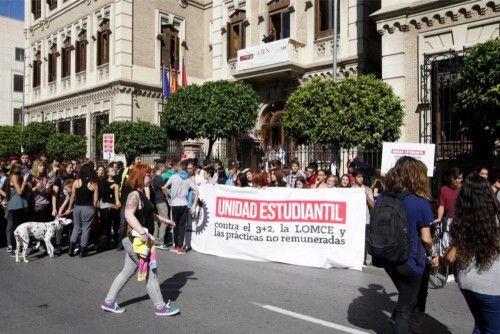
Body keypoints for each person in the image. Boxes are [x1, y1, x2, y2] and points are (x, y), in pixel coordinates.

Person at [101, 164, 179, 316]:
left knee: (127, 271)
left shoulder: (141, 193)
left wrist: (165, 220)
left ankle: (108, 302)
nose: (150, 176)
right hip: (135, 240)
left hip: (136, 239)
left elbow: (149, 214)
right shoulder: (134, 195)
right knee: (151, 272)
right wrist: (142, 232)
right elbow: (128, 215)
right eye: (147, 174)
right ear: (140, 176)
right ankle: (160, 307)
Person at [380, 156, 436, 333]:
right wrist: (433, 253)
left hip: (388, 258)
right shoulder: (420, 202)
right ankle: (403, 326)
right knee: (406, 305)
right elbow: (426, 238)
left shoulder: (384, 197)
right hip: (410, 260)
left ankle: (410, 326)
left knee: (408, 297)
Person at [443, 174, 499, 334]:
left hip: (466, 280)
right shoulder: (496, 218)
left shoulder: (459, 220)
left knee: (480, 325)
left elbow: (452, 254)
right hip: (493, 285)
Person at [163, 160, 198, 255]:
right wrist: (194, 205)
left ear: (179, 168)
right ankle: (180, 247)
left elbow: (164, 187)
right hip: (184, 204)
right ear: (186, 168)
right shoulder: (188, 179)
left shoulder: (173, 177)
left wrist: (168, 198)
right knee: (182, 226)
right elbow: (197, 191)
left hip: (174, 204)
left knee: (174, 225)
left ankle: (175, 245)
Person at [68, 163, 99, 257]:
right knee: (86, 228)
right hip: (88, 208)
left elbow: (73, 196)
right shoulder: (94, 184)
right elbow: (96, 199)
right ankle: (82, 250)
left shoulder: (76, 182)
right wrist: (94, 208)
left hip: (77, 207)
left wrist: (70, 207)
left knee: (76, 227)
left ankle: (71, 249)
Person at [5, 163, 29, 255]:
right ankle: (15, 247)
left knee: (19, 227)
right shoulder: (14, 176)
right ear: (15, 169)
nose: (22, 170)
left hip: (19, 205)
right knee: (17, 228)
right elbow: (19, 191)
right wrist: (24, 181)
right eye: (20, 168)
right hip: (16, 205)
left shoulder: (16, 176)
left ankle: (18, 247)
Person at [97, 165, 121, 251]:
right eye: (111, 170)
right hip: (106, 206)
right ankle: (106, 241)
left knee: (116, 224)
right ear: (107, 173)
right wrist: (111, 187)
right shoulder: (104, 182)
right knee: (107, 224)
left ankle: (116, 241)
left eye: (114, 169)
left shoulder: (117, 181)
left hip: (115, 205)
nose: (114, 171)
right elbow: (103, 193)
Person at [151, 163, 170, 250]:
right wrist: (168, 199)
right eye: (164, 167)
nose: (165, 168)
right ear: (160, 168)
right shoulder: (158, 178)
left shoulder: (154, 177)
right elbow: (164, 189)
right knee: (165, 220)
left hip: (156, 201)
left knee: (157, 220)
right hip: (161, 201)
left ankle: (155, 240)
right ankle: (160, 241)